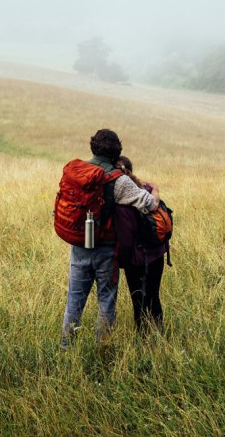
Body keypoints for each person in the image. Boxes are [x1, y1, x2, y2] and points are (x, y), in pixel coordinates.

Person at [60, 129, 159, 348]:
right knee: (106, 301)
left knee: (74, 300)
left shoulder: (77, 172)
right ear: (117, 151)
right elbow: (149, 204)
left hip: (79, 246)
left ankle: (66, 347)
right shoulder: (119, 180)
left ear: (93, 147)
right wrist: (155, 191)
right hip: (106, 249)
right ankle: (102, 349)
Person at [114, 155, 168, 333]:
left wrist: (122, 261)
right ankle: (159, 336)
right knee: (154, 296)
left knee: (138, 300)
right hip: (157, 254)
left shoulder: (121, 199)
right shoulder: (146, 189)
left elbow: (126, 238)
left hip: (135, 260)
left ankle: (143, 338)